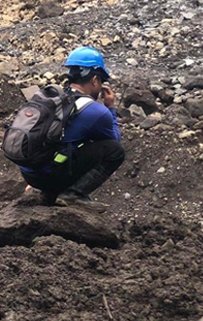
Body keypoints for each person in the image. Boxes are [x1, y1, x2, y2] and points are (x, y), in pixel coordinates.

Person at [20, 47, 125, 205]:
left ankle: (48, 192)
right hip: (49, 176)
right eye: (101, 81)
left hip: (29, 173)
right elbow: (115, 141)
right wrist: (110, 107)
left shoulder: (53, 97)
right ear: (95, 80)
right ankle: (73, 194)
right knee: (115, 151)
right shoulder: (96, 111)